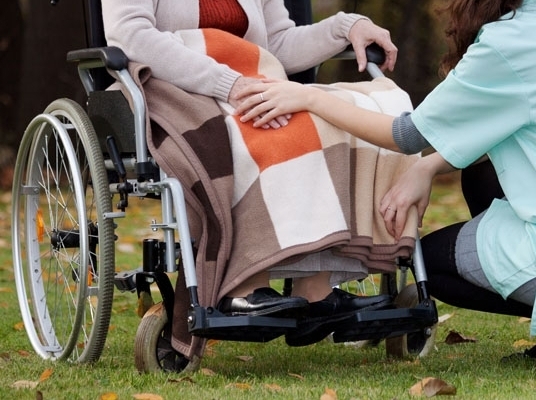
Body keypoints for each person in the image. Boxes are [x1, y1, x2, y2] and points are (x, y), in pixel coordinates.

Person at [236, 0, 536, 369]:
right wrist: (427, 168)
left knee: (430, 266)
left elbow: (406, 134)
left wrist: (311, 97)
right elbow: (500, 124)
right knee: (479, 174)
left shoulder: (510, 42)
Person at [101, 0, 417, 350]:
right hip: (168, 89)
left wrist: (347, 27)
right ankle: (244, 283)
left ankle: (315, 289)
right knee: (271, 125)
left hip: (250, 80)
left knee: (331, 116)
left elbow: (278, 43)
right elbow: (131, 35)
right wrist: (228, 83)